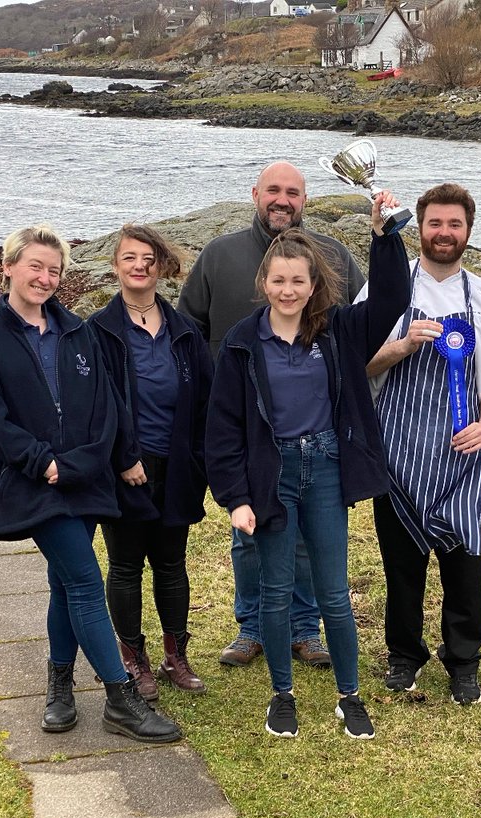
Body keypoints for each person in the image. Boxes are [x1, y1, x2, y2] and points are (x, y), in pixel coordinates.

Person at [0, 224, 181, 742]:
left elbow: (107, 404)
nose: (44, 277)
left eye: (53, 270)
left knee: (64, 584)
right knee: (84, 581)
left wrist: (107, 457)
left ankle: (60, 687)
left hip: (85, 478)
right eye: (34, 266)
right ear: (9, 267)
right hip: (34, 483)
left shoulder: (78, 332)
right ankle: (120, 699)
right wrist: (44, 464)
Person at [205, 194, 409, 739]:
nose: (289, 291)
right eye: (279, 281)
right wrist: (236, 498)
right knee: (274, 591)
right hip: (271, 476)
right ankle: (282, 694)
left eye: (299, 281)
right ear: (264, 284)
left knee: (334, 592)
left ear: (314, 285)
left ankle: (350, 696)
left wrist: (384, 235)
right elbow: (223, 428)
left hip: (325, 468)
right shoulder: (243, 343)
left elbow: (393, 297)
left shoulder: (339, 330)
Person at [179, 161, 366, 670]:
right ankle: (251, 626)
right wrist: (206, 402)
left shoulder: (335, 256)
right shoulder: (219, 255)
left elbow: (362, 328)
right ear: (255, 195)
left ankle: (306, 630)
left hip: (315, 435)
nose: (282, 200)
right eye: (273, 191)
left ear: (306, 200)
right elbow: (188, 329)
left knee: (307, 539)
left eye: (293, 193)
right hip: (245, 429)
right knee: (249, 535)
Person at [361, 183, 481, 705]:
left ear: (468, 231)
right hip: (399, 452)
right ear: (418, 227)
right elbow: (360, 365)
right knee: (401, 566)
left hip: (466, 456)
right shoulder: (384, 290)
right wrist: (401, 345)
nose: (444, 233)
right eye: (435, 223)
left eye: (455, 225)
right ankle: (404, 657)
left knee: (467, 563)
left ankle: (463, 661)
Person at [89, 224, 214, 702]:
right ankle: (133, 661)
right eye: (129, 258)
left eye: (148, 258)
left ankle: (175, 657)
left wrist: (198, 462)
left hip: (177, 466)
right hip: (124, 470)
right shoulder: (98, 330)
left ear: (161, 266)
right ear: (115, 265)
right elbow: (94, 405)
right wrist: (123, 457)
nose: (139, 266)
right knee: (124, 567)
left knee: (171, 564)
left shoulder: (184, 331)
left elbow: (205, 400)